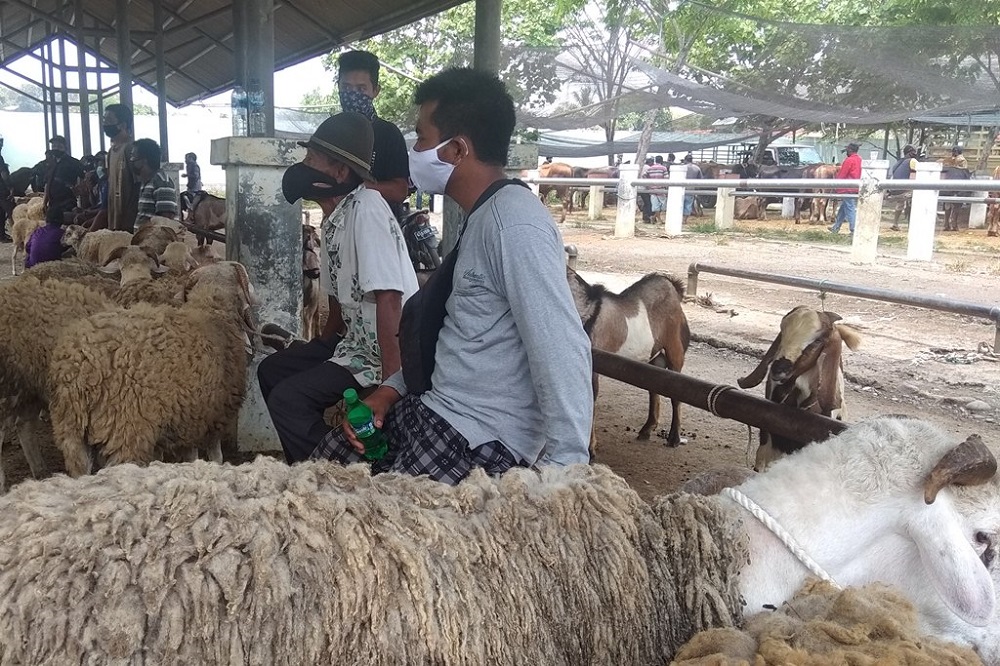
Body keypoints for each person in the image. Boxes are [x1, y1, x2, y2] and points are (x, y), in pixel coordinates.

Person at [311, 67, 593, 484]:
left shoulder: (515, 226)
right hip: (438, 410)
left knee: (352, 523)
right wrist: (389, 391)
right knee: (321, 474)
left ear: (457, 149)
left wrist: (567, 472)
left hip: (478, 439)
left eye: (422, 139)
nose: (415, 151)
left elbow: (562, 347)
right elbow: (455, 332)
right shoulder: (480, 218)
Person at [257, 112, 418, 464]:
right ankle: (312, 461)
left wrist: (393, 386)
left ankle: (336, 472)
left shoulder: (367, 209)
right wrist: (319, 348)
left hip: (385, 351)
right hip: (354, 344)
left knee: (289, 400)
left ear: (341, 173)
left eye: (312, 159)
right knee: (272, 370)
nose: (304, 166)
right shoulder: (335, 218)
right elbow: (336, 299)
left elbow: (389, 297)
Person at [337, 50, 410, 220]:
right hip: (337, 229)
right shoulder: (330, 132)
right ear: (338, 86)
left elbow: (400, 190)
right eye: (346, 87)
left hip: (379, 227)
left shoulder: (388, 133)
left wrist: (357, 189)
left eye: (361, 89)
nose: (353, 94)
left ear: (375, 91)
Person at [103, 104, 140, 232]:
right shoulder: (110, 153)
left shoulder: (130, 149)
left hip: (128, 222)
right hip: (114, 220)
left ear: (123, 125)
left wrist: (129, 219)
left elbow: (138, 186)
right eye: (104, 120)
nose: (105, 124)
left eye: (109, 121)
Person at [131, 138, 178, 226]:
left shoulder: (162, 183)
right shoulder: (146, 183)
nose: (131, 160)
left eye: (133, 156)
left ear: (144, 160)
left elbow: (165, 223)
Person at [43, 136, 84, 212]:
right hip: (53, 203)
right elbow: (47, 183)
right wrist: (45, 202)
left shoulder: (73, 162)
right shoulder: (50, 164)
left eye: (59, 146)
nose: (56, 148)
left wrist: (78, 190)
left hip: (67, 203)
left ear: (65, 147)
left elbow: (84, 177)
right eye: (54, 146)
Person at [829, 142, 862, 235]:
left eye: (847, 149)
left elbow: (842, 174)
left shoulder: (848, 160)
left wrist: (837, 185)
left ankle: (854, 228)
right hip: (856, 187)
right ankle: (836, 227)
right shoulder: (859, 159)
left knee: (850, 207)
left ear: (850, 150)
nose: (846, 151)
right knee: (843, 208)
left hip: (848, 188)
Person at [25, 201, 67, 268]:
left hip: (32, 265)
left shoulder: (37, 231)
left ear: (46, 219)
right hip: (50, 267)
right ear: (62, 219)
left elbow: (27, 247)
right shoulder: (61, 233)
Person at [888, 144, 919, 231]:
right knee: (915, 195)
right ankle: (911, 225)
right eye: (914, 152)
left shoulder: (898, 162)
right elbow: (922, 170)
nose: (915, 153)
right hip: (904, 191)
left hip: (894, 191)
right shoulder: (912, 161)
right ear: (910, 152)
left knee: (900, 203)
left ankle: (895, 223)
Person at [645, 156, 668, 224]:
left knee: (655, 206)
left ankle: (654, 217)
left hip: (652, 189)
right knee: (663, 206)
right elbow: (666, 178)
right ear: (662, 161)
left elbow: (644, 176)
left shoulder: (650, 168)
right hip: (661, 189)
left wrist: (648, 185)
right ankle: (658, 219)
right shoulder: (663, 168)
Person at [180, 152, 202, 219]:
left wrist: (186, 175)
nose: (185, 160)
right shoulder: (190, 166)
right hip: (191, 187)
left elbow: (196, 176)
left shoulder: (194, 166)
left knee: (187, 200)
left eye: (187, 158)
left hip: (194, 189)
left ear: (191, 159)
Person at [682, 154, 702, 222]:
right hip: (691, 189)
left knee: (680, 204)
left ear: (685, 160)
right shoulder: (697, 168)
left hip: (681, 188)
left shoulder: (682, 167)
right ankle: (684, 220)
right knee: (688, 204)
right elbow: (700, 179)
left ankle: (680, 218)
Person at [638, 157, 654, 223]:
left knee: (646, 203)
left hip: (639, 187)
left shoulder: (641, 166)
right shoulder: (648, 168)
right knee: (649, 203)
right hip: (645, 188)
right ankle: (648, 217)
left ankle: (646, 217)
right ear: (651, 162)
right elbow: (646, 176)